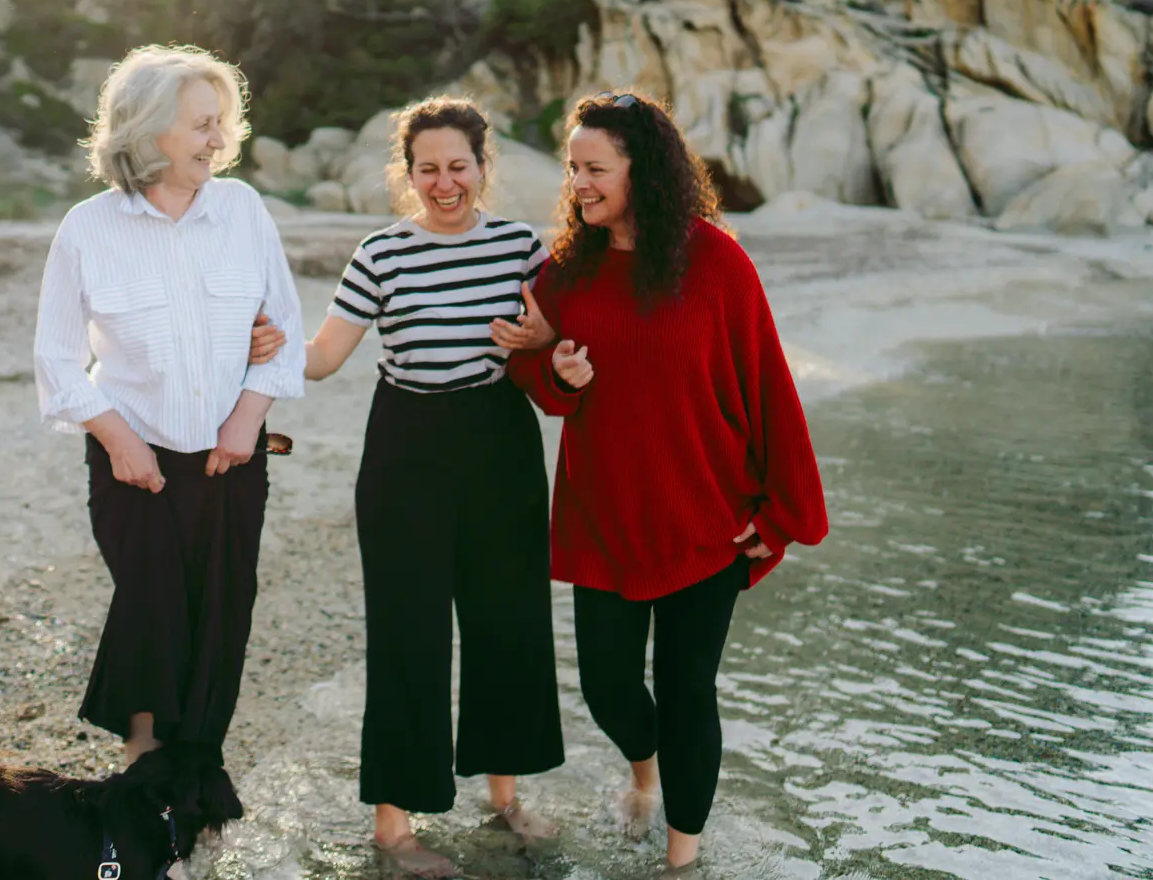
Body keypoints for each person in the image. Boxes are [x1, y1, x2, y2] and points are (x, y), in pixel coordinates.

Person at [504, 91, 827, 873]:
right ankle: (641, 770)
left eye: (594, 168)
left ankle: (681, 859)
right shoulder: (568, 269)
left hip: (705, 519)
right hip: (602, 516)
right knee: (608, 690)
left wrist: (780, 517)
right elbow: (529, 367)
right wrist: (558, 371)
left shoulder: (717, 262)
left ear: (641, 168)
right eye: (573, 168)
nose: (578, 183)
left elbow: (767, 388)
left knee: (688, 695)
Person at [303, 97, 565, 876]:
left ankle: (504, 795)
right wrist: (253, 340)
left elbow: (562, 338)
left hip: (500, 446)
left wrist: (544, 337)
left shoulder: (522, 249)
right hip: (405, 451)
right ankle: (393, 827)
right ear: (407, 174)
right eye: (428, 169)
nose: (444, 183)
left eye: (458, 167)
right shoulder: (380, 252)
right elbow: (321, 359)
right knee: (407, 635)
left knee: (506, 625)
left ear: (483, 168)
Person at [31, 45, 306, 764]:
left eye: (221, 123)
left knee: (220, 625)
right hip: (133, 464)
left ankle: (196, 784)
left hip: (232, 460)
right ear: (149, 130)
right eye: (201, 125)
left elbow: (285, 333)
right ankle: (142, 778)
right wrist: (117, 438)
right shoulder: (87, 230)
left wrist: (245, 421)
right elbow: (57, 360)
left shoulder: (243, 211)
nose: (220, 140)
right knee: (151, 620)